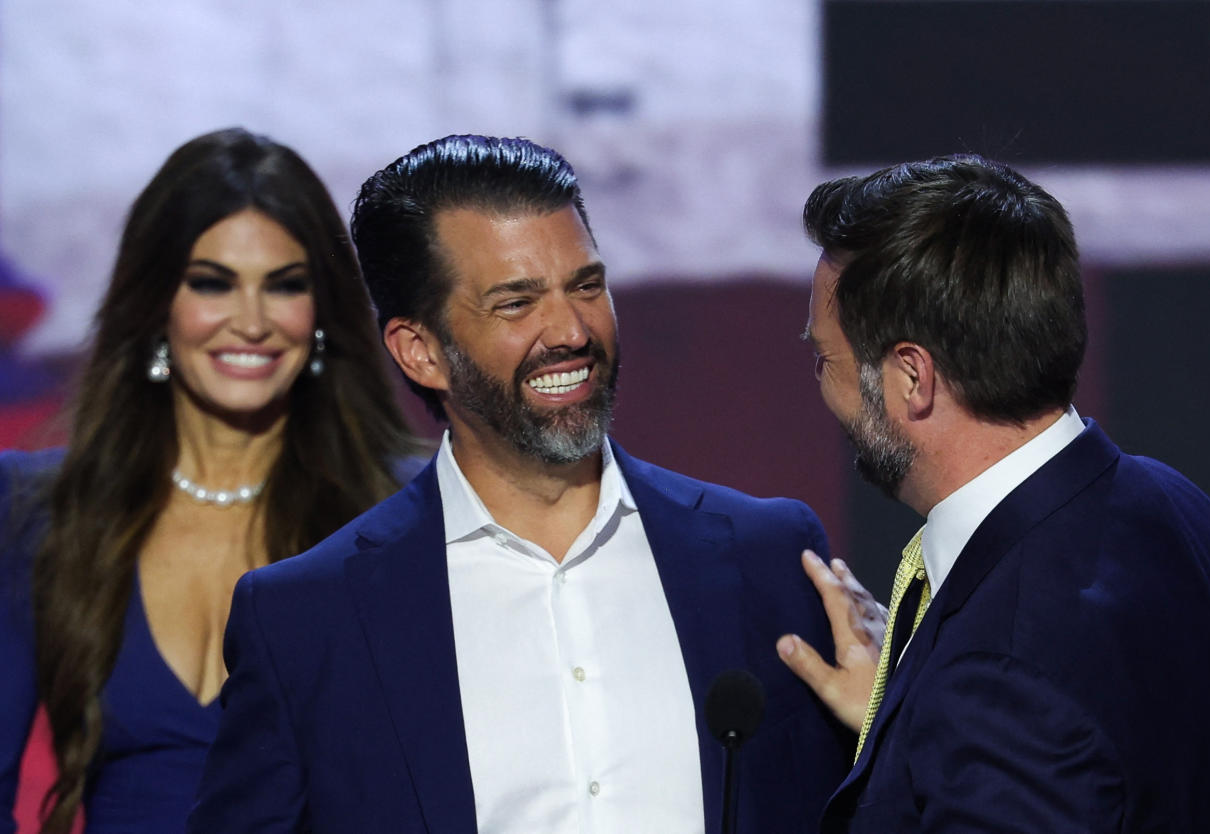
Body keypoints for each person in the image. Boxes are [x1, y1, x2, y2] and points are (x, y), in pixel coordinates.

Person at [188, 134, 856, 833]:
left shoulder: (769, 558)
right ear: (420, 352)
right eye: (515, 303)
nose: (569, 330)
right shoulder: (308, 623)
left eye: (586, 286)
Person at [780, 154, 1210, 831]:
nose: (821, 388)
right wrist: (906, 710)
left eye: (825, 358)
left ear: (912, 377)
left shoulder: (1000, 681)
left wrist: (953, 693)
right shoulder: (1170, 503)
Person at [0, 127, 418, 834]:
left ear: (320, 314)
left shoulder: (406, 511)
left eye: (284, 286)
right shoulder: (34, 511)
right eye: (212, 284)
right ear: (156, 304)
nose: (251, 322)